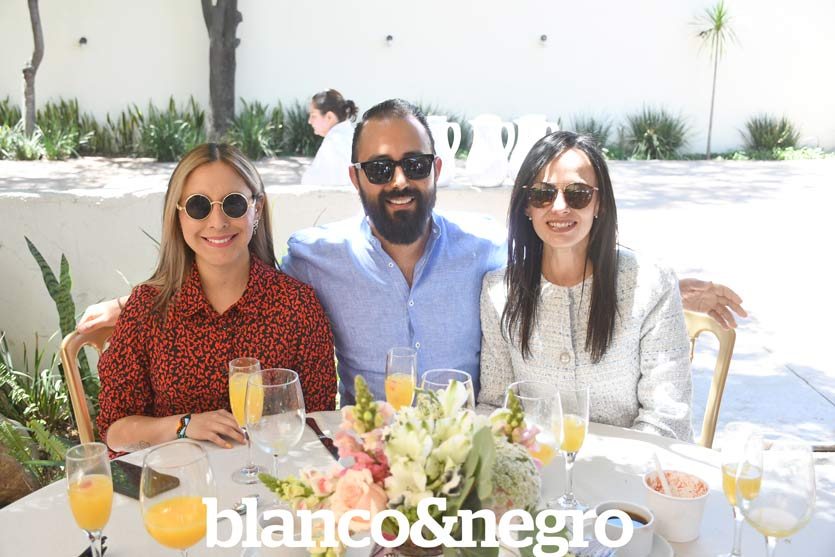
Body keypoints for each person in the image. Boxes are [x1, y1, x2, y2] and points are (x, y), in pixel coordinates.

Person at [78, 101, 746, 408]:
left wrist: (662, 285)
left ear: (436, 169)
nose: (399, 180)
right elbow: (229, 261)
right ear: (355, 178)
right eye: (379, 167)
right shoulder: (313, 259)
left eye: (415, 164)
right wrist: (135, 304)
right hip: (363, 456)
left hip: (467, 455)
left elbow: (559, 243)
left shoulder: (487, 254)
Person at [95, 143, 335, 454]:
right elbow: (115, 432)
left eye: (233, 204)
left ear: (257, 209)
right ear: (178, 215)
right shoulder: (148, 308)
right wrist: (184, 425)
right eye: (199, 206)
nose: (218, 222)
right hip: (178, 478)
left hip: (272, 475)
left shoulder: (298, 306)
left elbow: (316, 423)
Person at [477, 131, 692, 439]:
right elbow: (495, 406)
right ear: (526, 206)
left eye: (578, 194)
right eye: (542, 194)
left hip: (631, 464)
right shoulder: (499, 292)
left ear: (599, 203)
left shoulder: (651, 285)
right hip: (538, 462)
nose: (559, 207)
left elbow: (667, 418)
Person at [301, 89, 358, 186]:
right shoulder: (350, 135)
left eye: (313, 116)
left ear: (329, 117)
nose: (309, 121)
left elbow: (328, 187)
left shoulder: (334, 144)